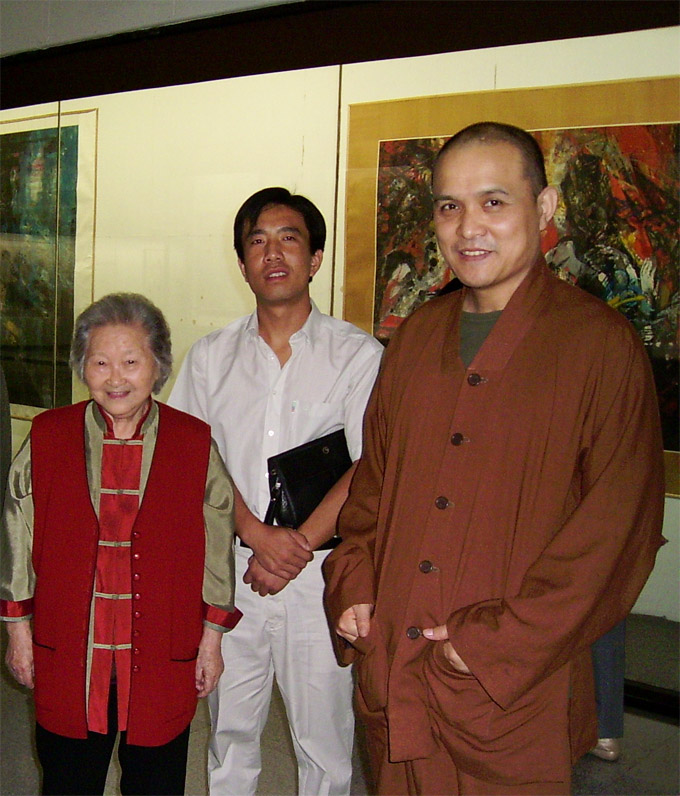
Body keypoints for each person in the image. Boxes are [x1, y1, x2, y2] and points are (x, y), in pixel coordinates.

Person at [323, 122, 665, 795]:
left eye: (494, 202)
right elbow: (373, 489)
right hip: (395, 665)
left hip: (508, 695)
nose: (468, 227)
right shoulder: (417, 337)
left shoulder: (600, 346)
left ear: (544, 208)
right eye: (449, 206)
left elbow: (616, 534)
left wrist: (488, 644)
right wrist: (355, 584)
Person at [169, 187, 383, 795]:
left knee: (324, 741)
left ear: (315, 258)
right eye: (257, 241)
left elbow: (372, 463)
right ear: (242, 264)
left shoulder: (358, 355)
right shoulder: (210, 358)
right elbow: (192, 458)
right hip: (232, 571)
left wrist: (296, 546)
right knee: (229, 732)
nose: (272, 253)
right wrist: (255, 534)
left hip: (321, 577)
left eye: (289, 238)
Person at [1, 293, 241, 796]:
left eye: (131, 362)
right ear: (82, 367)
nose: (115, 378)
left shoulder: (193, 442)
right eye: (100, 362)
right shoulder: (48, 437)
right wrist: (18, 632)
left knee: (156, 782)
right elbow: (16, 535)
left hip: (160, 653)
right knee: (67, 780)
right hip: (70, 652)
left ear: (158, 366)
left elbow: (218, 547)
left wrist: (212, 641)